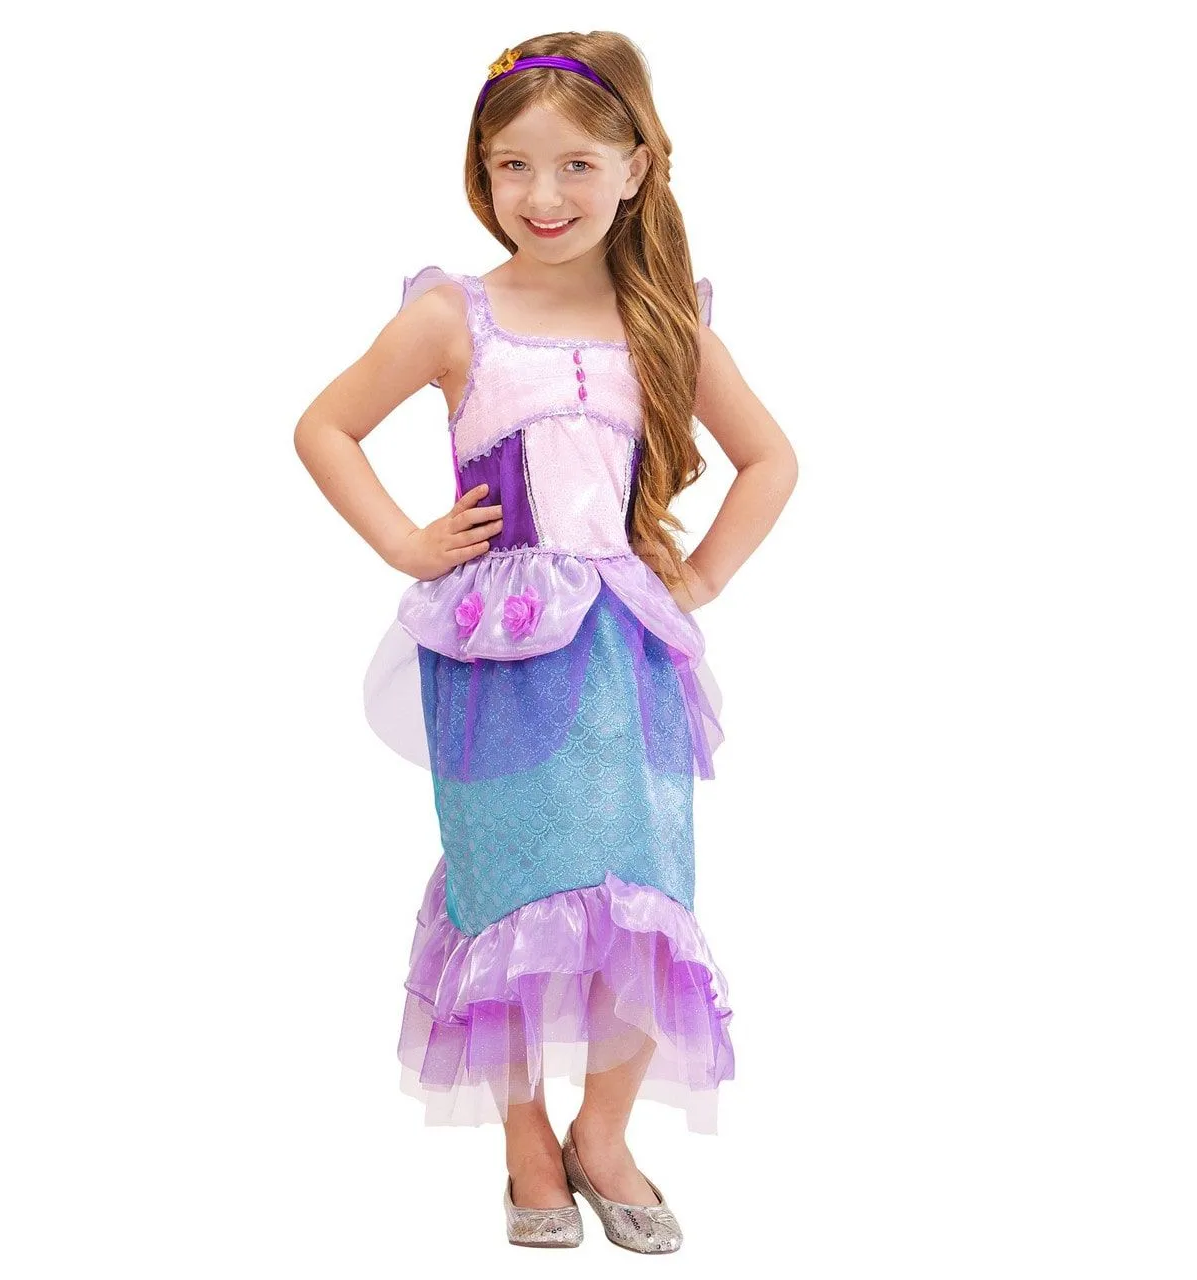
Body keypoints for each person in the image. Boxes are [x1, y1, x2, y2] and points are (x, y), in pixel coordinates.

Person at [294, 31, 797, 1253]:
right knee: (507, 882)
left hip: (626, 655)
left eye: (575, 164)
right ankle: (524, 1136)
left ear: (635, 168)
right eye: (512, 164)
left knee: (640, 888)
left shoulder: (662, 322)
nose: (542, 193)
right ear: (481, 170)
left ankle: (602, 1130)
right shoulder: (451, 315)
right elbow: (324, 426)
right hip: (495, 658)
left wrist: (701, 573)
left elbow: (769, 459)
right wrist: (405, 541)